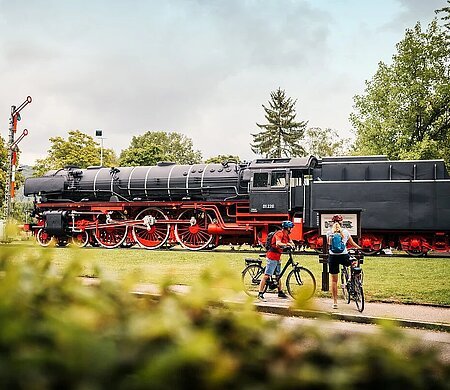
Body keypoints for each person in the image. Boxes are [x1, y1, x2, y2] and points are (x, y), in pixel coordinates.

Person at [327, 215, 362, 309]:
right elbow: (351, 243)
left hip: (333, 257)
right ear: (341, 222)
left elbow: (329, 244)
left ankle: (335, 303)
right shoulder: (345, 232)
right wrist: (359, 248)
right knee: (354, 263)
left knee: (334, 281)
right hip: (344, 256)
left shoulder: (329, 233)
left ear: (332, 222)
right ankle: (352, 279)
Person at [257, 220, 295, 301]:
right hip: (272, 257)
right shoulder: (279, 234)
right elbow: (278, 243)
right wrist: (287, 244)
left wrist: (292, 244)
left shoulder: (286, 235)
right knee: (267, 276)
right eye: (291, 228)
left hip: (278, 257)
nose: (291, 229)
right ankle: (260, 293)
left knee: (278, 275)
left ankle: (280, 292)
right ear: (287, 228)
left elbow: (291, 241)